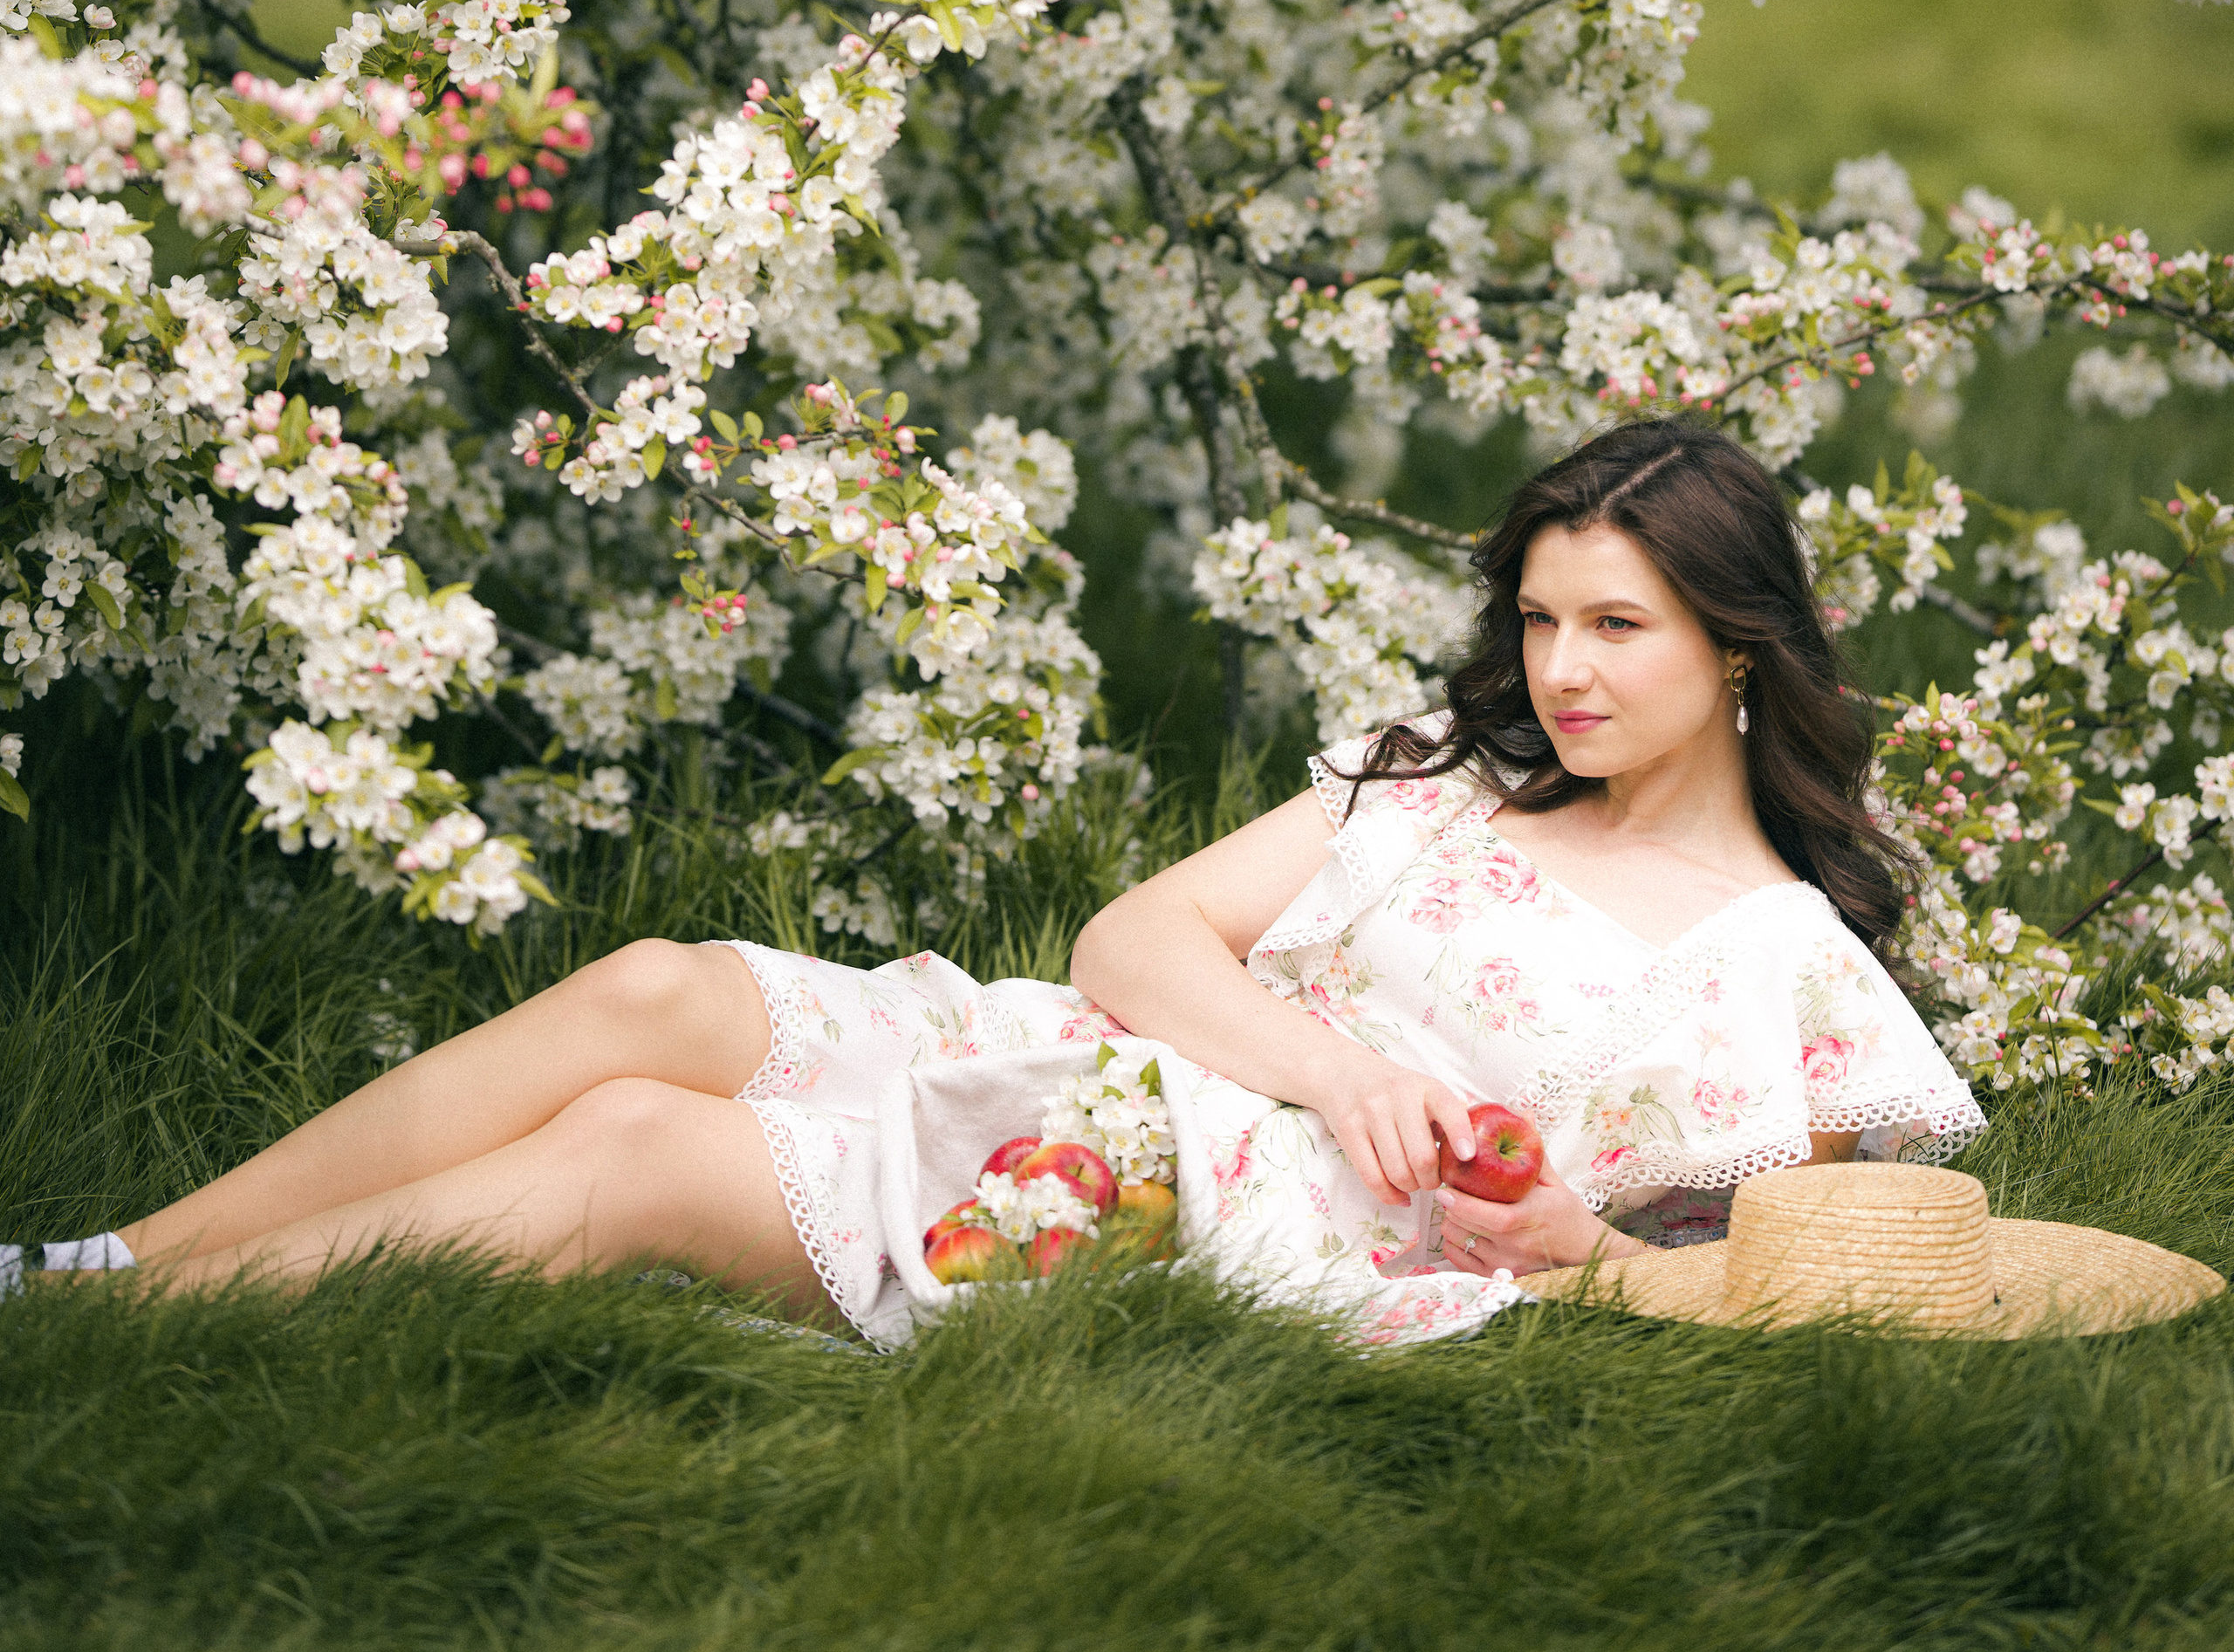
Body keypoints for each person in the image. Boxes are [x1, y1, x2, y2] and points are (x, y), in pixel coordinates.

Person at [16, 418, 1984, 1348]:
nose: (1557, 671)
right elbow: (1131, 937)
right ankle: (102, 1267)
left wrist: (1566, 1243)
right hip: (1093, 1064)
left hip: (1192, 1205)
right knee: (645, 995)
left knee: (630, 1146)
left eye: (1616, 628)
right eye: (1540, 617)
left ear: (1738, 645)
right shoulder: (1449, 788)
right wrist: (1325, 1062)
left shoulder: (1783, 967)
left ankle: (114, 1348)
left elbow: (1787, 1296)